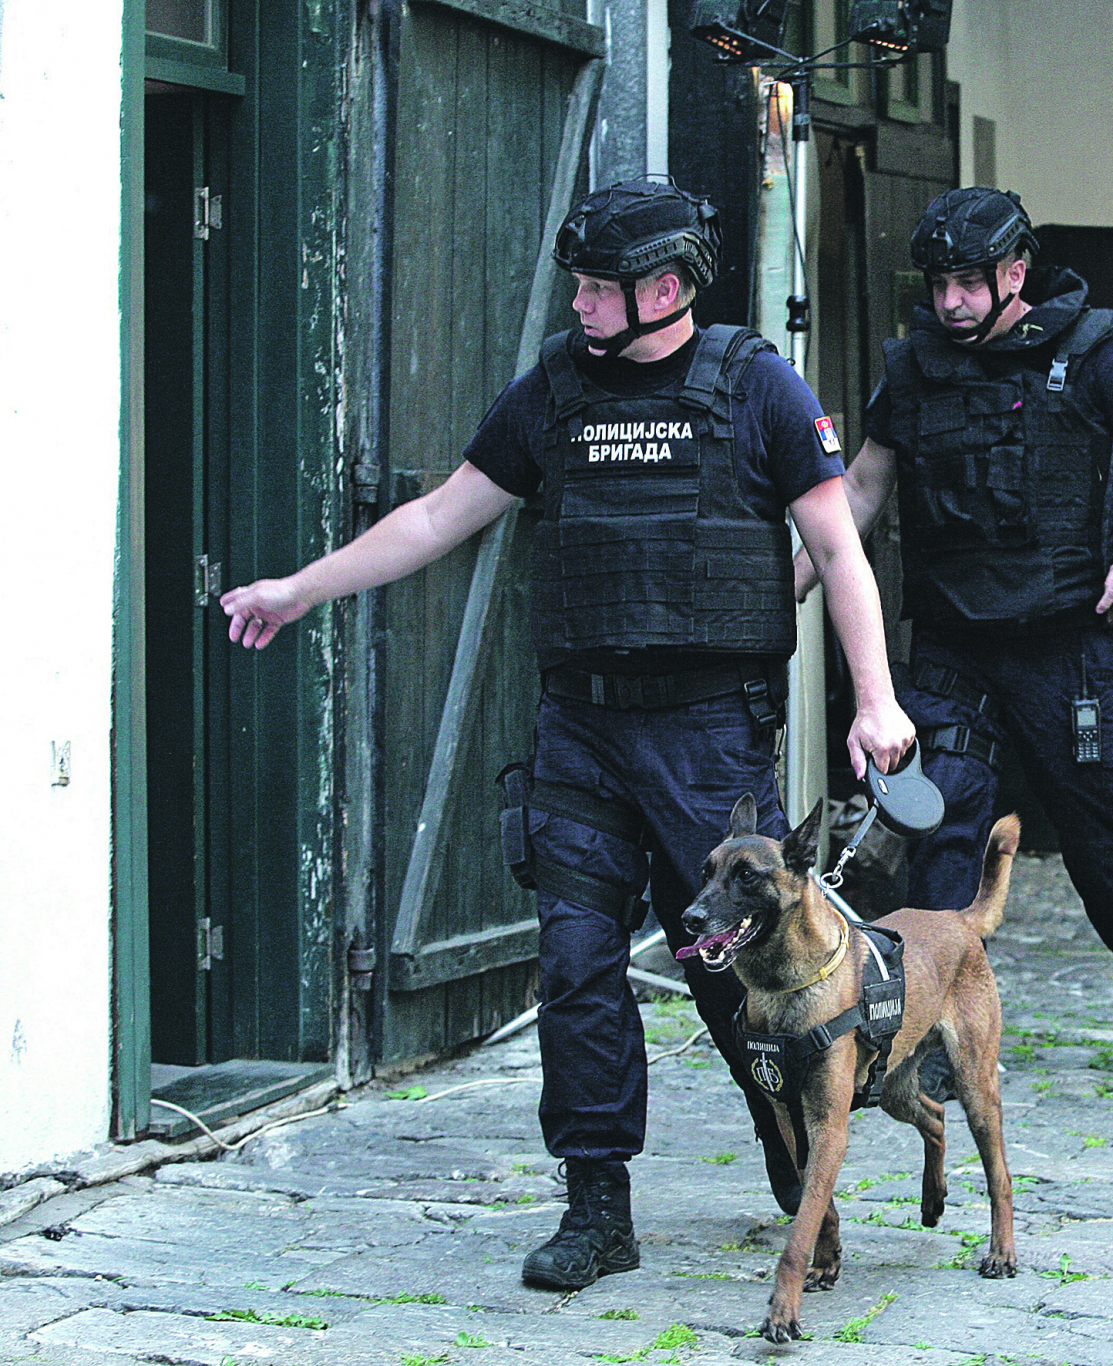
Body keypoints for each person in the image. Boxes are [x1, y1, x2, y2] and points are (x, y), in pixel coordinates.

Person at [221, 181, 914, 1290]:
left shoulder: (757, 388)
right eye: (581, 285)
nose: (581, 304)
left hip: (710, 737)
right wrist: (303, 589)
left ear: (665, 287)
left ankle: (797, 1167)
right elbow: (444, 514)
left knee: (742, 975)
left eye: (599, 287)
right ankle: (597, 1207)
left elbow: (839, 551)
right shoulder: (553, 391)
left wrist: (873, 698)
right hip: (582, 733)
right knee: (578, 964)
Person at [795, 187, 1113, 1072]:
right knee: (941, 828)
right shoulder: (912, 371)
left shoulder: (1094, 350)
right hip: (952, 643)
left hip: (1068, 644)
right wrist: (790, 583)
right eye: (940, 283)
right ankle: (933, 1024)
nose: (950, 302)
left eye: (969, 283)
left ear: (1015, 273)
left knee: (1104, 840)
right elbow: (860, 491)